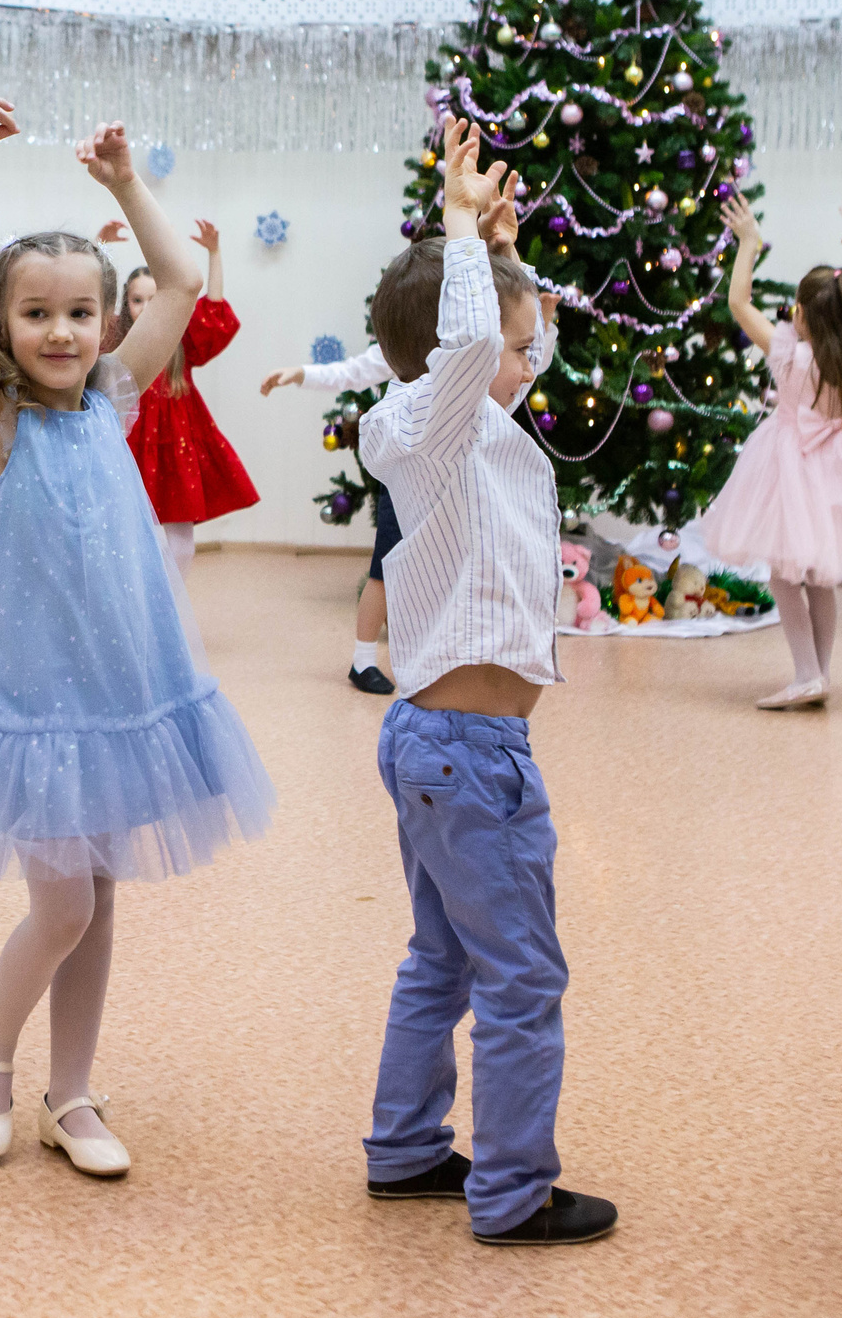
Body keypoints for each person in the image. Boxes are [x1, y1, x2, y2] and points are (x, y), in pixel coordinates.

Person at [0, 99, 274, 1180]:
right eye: (35, 314)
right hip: (34, 711)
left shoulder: (110, 397)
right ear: (6, 330)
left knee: (97, 901)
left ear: (105, 322)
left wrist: (123, 184)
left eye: (79, 313)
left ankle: (74, 1093)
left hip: (123, 701)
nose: (60, 332)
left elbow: (184, 283)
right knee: (59, 902)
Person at [352, 119, 614, 1248]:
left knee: (445, 957)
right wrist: (461, 235)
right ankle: (508, 1193)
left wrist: (501, 255)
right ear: (455, 347)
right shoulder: (426, 421)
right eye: (518, 340)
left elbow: (499, 344)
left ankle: (408, 1151)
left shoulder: (475, 416)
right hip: (469, 754)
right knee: (520, 980)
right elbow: (470, 351)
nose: (532, 356)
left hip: (443, 743)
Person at [700, 194, 842, 708]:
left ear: (804, 315)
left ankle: (806, 673)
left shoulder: (788, 352)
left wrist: (749, 243)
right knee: (821, 578)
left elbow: (737, 304)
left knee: (783, 576)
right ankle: (818, 673)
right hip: (840, 471)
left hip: (789, 464)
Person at [104, 218, 258, 570]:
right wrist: (102, 245)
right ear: (126, 304)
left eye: (154, 298)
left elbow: (214, 309)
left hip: (177, 445)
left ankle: (171, 609)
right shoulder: (115, 340)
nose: (146, 307)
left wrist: (215, 253)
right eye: (137, 299)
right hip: (129, 444)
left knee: (180, 545)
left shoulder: (181, 338)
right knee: (128, 536)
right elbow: (92, 296)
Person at [263, 345, 403, 693]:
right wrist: (302, 373)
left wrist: (546, 326)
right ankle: (363, 660)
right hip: (404, 474)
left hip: (448, 476)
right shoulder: (407, 333)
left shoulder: (467, 338)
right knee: (384, 570)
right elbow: (353, 371)